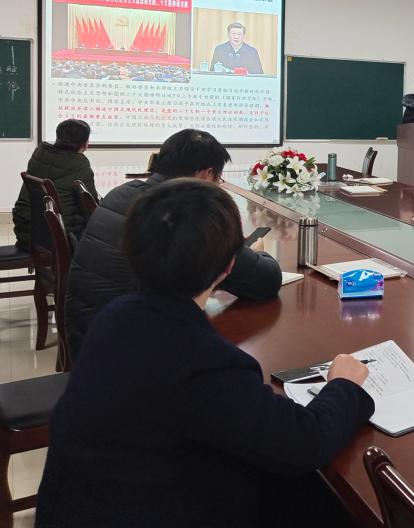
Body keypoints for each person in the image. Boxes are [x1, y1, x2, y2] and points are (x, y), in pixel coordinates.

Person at [36, 179, 374, 527]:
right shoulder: (200, 360)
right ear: (229, 267)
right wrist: (344, 385)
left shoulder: (116, 316)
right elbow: (303, 443)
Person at [66, 128, 283, 359]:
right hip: (132, 352)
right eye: (218, 179)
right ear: (207, 174)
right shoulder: (189, 213)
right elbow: (265, 281)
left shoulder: (121, 193)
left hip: (85, 334)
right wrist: (258, 252)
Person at [12, 119, 96, 250]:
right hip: (57, 237)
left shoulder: (39, 156)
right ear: (85, 144)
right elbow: (91, 206)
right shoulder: (80, 165)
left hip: (25, 232)